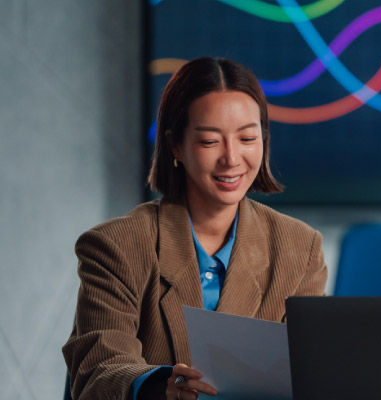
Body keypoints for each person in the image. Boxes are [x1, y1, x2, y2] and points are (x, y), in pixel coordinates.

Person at [62, 57, 328, 400]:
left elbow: (308, 372)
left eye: (247, 138)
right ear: (176, 146)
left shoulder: (299, 247)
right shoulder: (116, 245)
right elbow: (98, 369)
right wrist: (160, 387)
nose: (232, 158)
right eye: (209, 142)